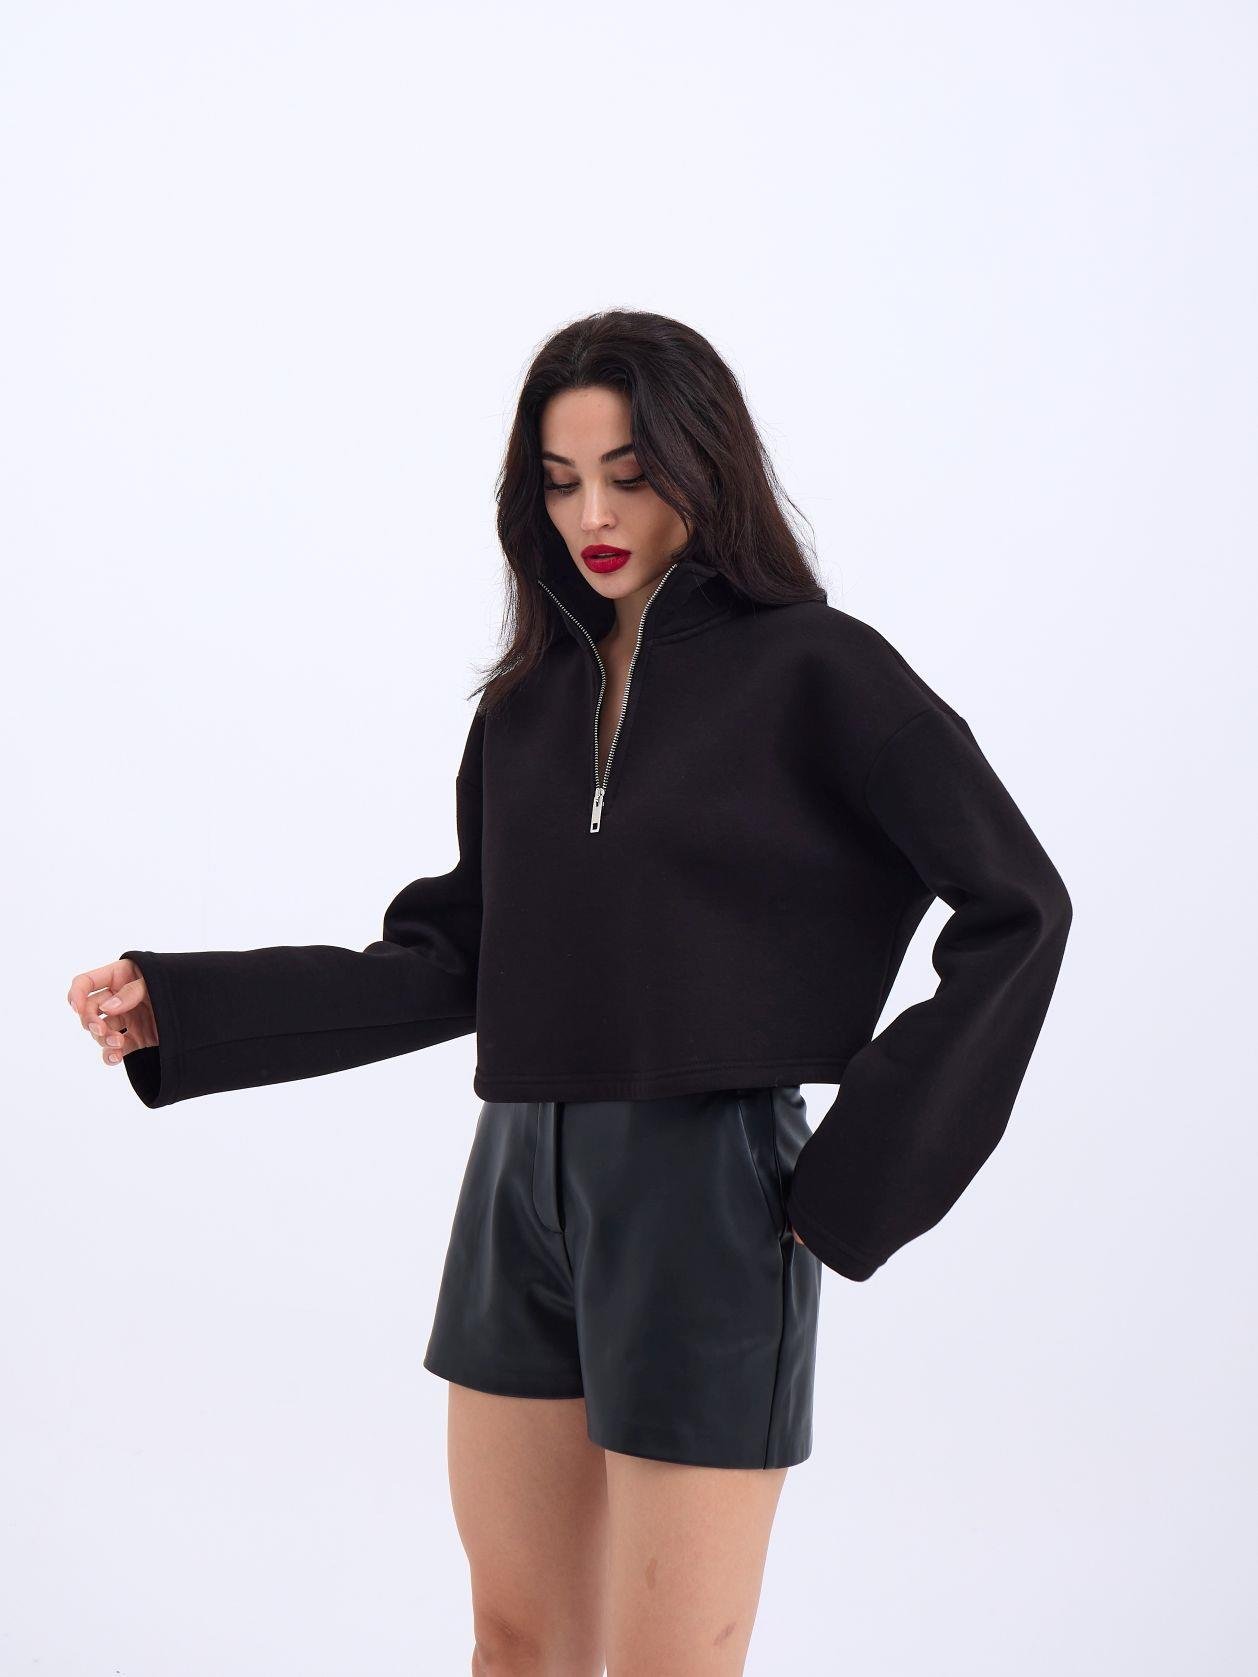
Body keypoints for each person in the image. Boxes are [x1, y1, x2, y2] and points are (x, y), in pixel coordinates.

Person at [67, 309, 1072, 1675]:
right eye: (559, 480)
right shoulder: (526, 703)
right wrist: (188, 1009)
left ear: (704, 467)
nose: (592, 514)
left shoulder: (820, 670)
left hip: (707, 1191)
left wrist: (855, 1182)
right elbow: (457, 959)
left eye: (628, 474)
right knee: (515, 1643)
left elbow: (1019, 907)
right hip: (513, 1185)